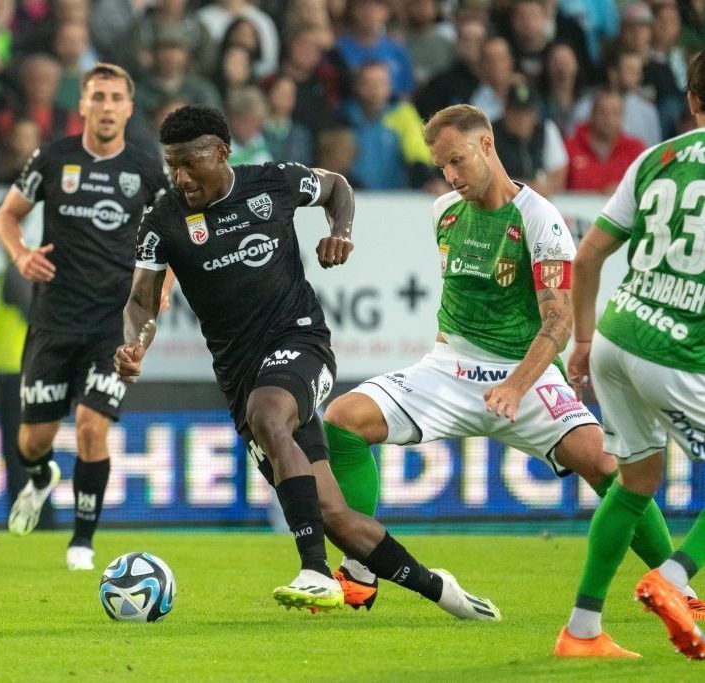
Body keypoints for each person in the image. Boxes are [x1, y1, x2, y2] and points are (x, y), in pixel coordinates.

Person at [114, 103, 500, 619]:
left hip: (301, 342)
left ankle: (315, 571)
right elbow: (142, 300)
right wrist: (136, 343)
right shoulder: (163, 220)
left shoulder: (272, 182)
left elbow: (337, 185)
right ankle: (442, 591)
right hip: (240, 376)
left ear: (222, 153)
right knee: (333, 514)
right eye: (172, 165)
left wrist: (341, 230)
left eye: (190, 162)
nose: (181, 177)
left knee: (269, 412)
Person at [322, 103, 680, 613]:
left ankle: (679, 590)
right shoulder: (444, 212)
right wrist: (449, 361)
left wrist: (515, 385)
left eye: (457, 160)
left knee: (608, 465)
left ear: (486, 145)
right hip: (449, 369)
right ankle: (360, 569)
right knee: (342, 419)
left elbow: (558, 321)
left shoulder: (540, 219)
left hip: (524, 376)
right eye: (442, 166)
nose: (450, 176)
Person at [553, 49, 705, 660]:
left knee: (637, 479)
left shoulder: (655, 158)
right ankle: (673, 579)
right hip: (673, 349)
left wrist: (583, 339)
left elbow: (588, 255)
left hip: (616, 336)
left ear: (691, 101)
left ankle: (581, 630)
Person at [0, 63, 169, 571]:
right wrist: (21, 254)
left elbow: (172, 235)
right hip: (54, 320)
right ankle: (40, 476)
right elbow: (6, 215)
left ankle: (82, 543)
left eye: (116, 98)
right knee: (33, 442)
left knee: (92, 427)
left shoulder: (146, 168)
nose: (107, 106)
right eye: (98, 97)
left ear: (128, 108)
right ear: (83, 105)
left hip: (112, 323)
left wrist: (161, 289)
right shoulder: (53, 158)